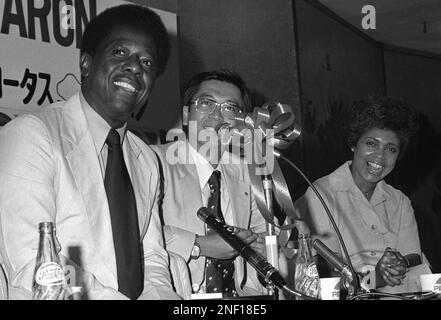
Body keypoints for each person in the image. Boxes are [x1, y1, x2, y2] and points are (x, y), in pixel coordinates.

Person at [0, 4, 180, 300]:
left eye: (147, 63)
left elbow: (152, 259)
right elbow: (35, 260)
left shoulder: (147, 159)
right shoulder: (33, 135)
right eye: (120, 53)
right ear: (86, 63)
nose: (135, 67)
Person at [152, 69, 273, 297]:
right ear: (187, 114)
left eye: (230, 108)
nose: (216, 117)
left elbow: (265, 236)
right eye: (206, 103)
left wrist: (272, 244)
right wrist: (201, 245)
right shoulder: (153, 161)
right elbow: (136, 234)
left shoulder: (248, 173)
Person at [293, 96, 431, 294]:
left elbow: (414, 256)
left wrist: (400, 262)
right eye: (371, 144)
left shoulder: (399, 201)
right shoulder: (320, 194)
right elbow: (329, 272)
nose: (380, 156)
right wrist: (376, 278)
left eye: (391, 149)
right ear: (353, 144)